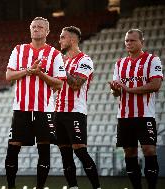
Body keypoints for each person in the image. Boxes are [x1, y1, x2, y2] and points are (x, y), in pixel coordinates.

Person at [5, 17, 66, 189]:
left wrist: (40, 74)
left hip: (44, 109)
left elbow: (59, 83)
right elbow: (9, 76)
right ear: (30, 29)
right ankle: (11, 186)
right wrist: (28, 71)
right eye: (33, 27)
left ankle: (40, 187)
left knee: (44, 148)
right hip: (21, 108)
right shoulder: (19, 50)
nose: (36, 29)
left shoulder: (54, 54)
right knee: (13, 147)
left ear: (47, 32)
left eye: (40, 27)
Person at [109, 29, 163, 189]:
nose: (129, 43)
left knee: (149, 150)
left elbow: (156, 85)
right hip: (124, 116)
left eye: (132, 40)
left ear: (141, 41)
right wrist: (115, 89)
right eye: (127, 41)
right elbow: (115, 93)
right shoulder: (119, 64)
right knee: (130, 153)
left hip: (145, 115)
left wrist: (128, 89)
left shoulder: (153, 60)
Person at [54, 26, 101, 189]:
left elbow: (76, 85)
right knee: (65, 154)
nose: (60, 40)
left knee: (80, 151)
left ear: (72, 40)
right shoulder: (63, 61)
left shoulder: (85, 60)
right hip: (58, 112)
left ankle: (97, 186)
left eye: (63, 37)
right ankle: (73, 186)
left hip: (75, 112)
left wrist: (61, 71)